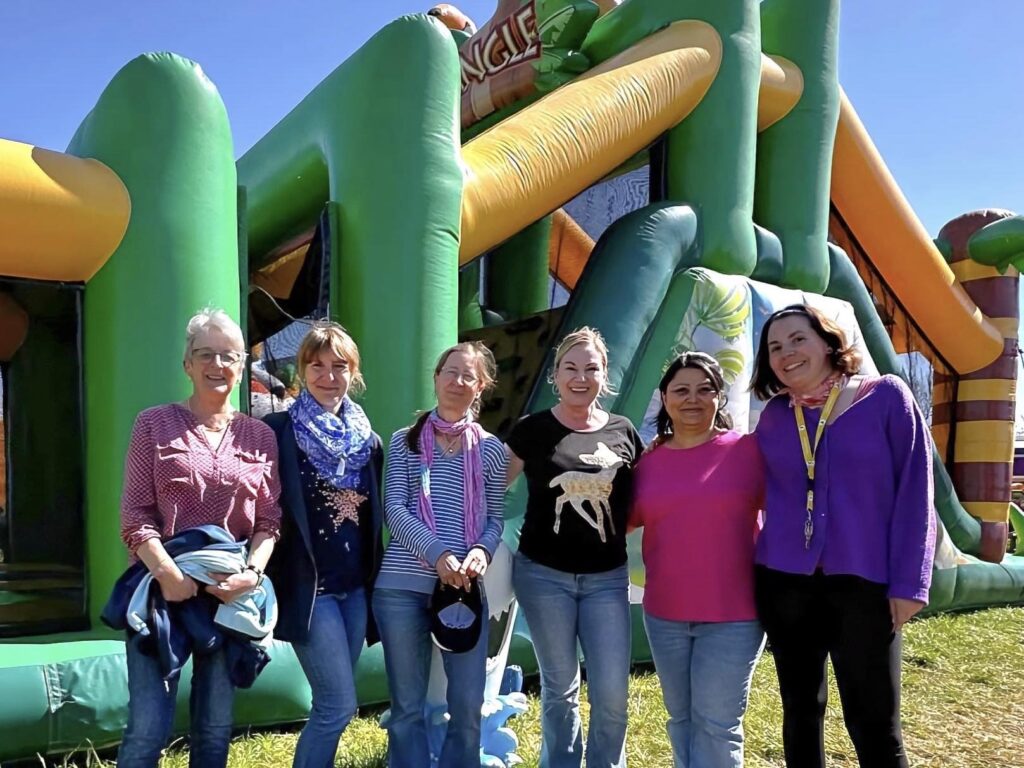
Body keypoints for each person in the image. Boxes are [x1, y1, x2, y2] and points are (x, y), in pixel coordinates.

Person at [750, 304, 935, 768]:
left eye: (797, 339)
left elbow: (916, 490)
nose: (786, 353)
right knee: (800, 713)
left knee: (874, 722)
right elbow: (743, 482)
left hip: (865, 585)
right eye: (774, 347)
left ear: (829, 343)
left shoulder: (886, 397)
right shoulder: (775, 415)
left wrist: (911, 584)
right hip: (785, 583)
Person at [117, 308, 281, 768]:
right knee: (147, 730)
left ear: (242, 366)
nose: (217, 365)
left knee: (213, 733)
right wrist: (168, 575)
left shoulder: (261, 436)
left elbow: (270, 520)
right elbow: (134, 515)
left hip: (229, 598)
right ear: (186, 364)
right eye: (205, 354)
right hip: (161, 592)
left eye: (229, 356)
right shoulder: (152, 423)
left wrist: (252, 573)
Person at [507, 327, 644, 768]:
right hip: (544, 577)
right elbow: (489, 489)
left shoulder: (624, 432)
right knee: (560, 688)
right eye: (571, 367)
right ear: (556, 374)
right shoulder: (532, 430)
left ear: (605, 375)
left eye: (591, 368)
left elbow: (651, 491)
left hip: (606, 579)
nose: (580, 377)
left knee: (611, 692)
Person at [373, 341, 508, 768]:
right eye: (450, 371)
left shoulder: (491, 449)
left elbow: (495, 518)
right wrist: (437, 554)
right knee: (407, 706)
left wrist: (482, 552)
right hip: (401, 587)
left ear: (481, 386)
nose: (457, 381)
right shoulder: (403, 441)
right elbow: (393, 508)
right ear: (435, 377)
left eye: (468, 375)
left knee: (467, 704)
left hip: (464, 589)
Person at [628, 352, 765, 768]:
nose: (693, 399)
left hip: (734, 616)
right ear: (665, 399)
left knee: (716, 724)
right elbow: (617, 522)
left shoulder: (748, 452)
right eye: (681, 390)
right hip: (665, 615)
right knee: (682, 720)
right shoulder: (647, 462)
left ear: (719, 397)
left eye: (705, 389)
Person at [263, 323, 384, 768]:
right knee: (337, 705)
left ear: (353, 373)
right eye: (317, 365)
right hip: (310, 591)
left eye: (339, 366)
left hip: (354, 590)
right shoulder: (276, 431)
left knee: (332, 704)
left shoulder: (368, 442)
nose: (328, 376)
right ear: (302, 370)